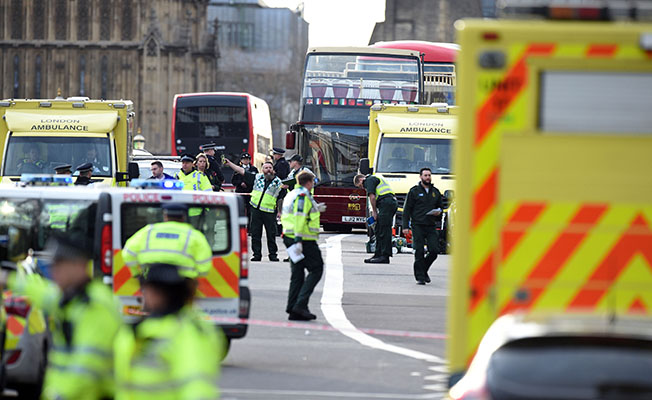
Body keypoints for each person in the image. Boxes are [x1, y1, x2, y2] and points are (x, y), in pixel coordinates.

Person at [2, 235, 122, 400]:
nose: (54, 272)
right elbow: (43, 293)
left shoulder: (95, 306)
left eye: (60, 266)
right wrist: (8, 279)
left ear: (79, 265)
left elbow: (85, 370)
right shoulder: (72, 297)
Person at [114, 263, 222, 400]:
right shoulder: (140, 330)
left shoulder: (185, 332)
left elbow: (196, 387)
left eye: (147, 289)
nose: (144, 294)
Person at [122, 203, 213, 282]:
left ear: (165, 216)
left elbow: (128, 254)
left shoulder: (148, 231)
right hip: (182, 284)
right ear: (183, 217)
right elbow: (204, 266)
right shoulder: (194, 235)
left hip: (152, 282)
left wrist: (136, 274)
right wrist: (195, 276)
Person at [281, 171, 325, 321]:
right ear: (309, 182)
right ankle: (300, 304)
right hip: (303, 238)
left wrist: (316, 208)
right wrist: (299, 239)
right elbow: (300, 216)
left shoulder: (292, 194)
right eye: (313, 182)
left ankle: (293, 308)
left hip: (289, 236)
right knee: (316, 269)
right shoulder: (303, 195)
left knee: (298, 274)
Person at [224, 157, 283, 262]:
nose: (268, 169)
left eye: (270, 168)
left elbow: (281, 198)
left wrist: (280, 211)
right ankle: (256, 254)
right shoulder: (257, 177)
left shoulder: (279, 182)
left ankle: (273, 255)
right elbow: (241, 171)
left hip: (269, 212)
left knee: (271, 234)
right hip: (256, 209)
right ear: (262, 170)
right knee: (255, 233)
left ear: (273, 170)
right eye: (266, 168)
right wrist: (230, 164)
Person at [402, 167, 443, 285]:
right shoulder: (414, 191)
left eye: (429, 175)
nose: (428, 177)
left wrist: (439, 212)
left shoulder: (435, 192)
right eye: (425, 175)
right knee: (419, 251)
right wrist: (405, 226)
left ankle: (423, 270)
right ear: (420, 177)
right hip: (417, 225)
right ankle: (420, 277)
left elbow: (441, 207)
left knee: (434, 250)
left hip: (430, 225)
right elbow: (407, 210)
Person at [354, 173, 398, 264]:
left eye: (361, 186)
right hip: (386, 203)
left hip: (386, 203)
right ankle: (378, 254)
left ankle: (384, 256)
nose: (363, 188)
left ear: (361, 180)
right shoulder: (375, 179)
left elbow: (372, 197)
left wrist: (374, 212)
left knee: (384, 230)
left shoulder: (369, 180)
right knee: (378, 229)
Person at [231, 152, 258, 223]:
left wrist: (249, 184)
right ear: (241, 160)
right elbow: (233, 181)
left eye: (248, 159)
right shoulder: (238, 169)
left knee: (250, 211)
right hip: (240, 193)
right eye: (244, 159)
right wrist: (240, 183)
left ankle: (249, 228)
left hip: (250, 193)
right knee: (240, 210)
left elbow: (256, 180)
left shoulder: (254, 169)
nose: (246, 161)